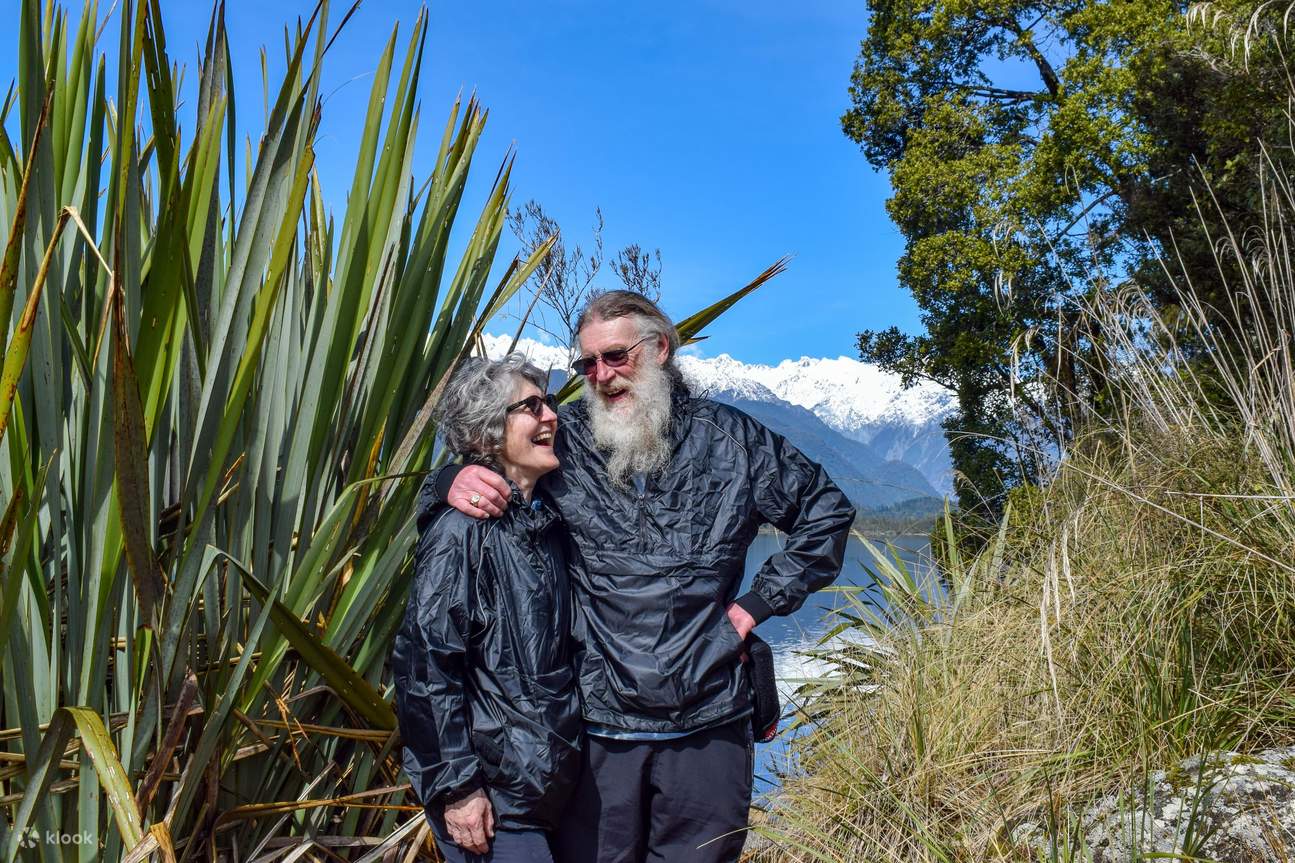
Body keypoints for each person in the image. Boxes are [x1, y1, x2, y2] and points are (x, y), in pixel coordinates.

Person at [432, 291, 856, 863]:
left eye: (616, 357)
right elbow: (489, 458)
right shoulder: (566, 439)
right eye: (588, 364)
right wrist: (446, 483)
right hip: (598, 727)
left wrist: (753, 606)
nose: (602, 376)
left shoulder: (734, 440)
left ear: (659, 349)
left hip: (709, 720)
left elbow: (825, 511)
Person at [392, 354, 581, 863]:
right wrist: (458, 789)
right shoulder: (461, 534)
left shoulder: (546, 523)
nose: (551, 417)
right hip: (494, 800)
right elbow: (425, 666)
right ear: (487, 434)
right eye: (532, 407)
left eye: (550, 404)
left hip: (546, 791)